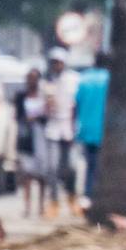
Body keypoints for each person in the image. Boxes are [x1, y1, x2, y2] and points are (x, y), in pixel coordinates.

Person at [43, 47, 79, 218]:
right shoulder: (46, 83)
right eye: (53, 63)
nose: (56, 66)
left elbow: (77, 105)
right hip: (52, 128)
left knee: (71, 167)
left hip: (69, 128)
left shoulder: (73, 79)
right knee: (52, 167)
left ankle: (72, 198)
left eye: (58, 62)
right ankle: (54, 201)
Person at [75, 52, 110, 205]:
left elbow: (76, 103)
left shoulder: (84, 78)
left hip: (87, 128)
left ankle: (88, 194)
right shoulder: (109, 78)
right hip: (105, 128)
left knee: (90, 164)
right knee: (103, 165)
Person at [16, 68, 49, 218]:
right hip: (26, 137)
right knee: (27, 173)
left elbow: (47, 117)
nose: (32, 81)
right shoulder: (21, 97)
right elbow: (17, 116)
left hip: (41, 136)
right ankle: (27, 206)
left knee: (42, 174)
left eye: (34, 78)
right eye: (29, 78)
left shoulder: (44, 97)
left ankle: (41, 206)